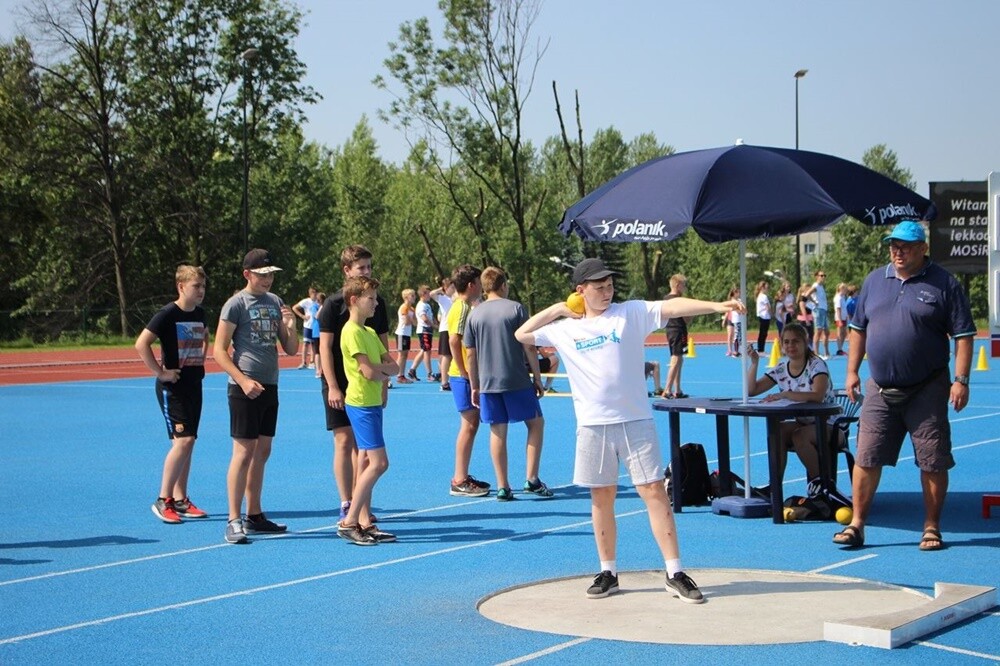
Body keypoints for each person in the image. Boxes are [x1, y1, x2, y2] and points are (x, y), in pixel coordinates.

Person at [515, 258, 745, 603]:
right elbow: (521, 334)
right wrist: (560, 308)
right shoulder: (564, 328)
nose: (607, 292)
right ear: (581, 291)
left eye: (609, 285)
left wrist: (716, 305)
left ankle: (675, 571)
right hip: (593, 424)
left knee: (653, 490)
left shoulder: (630, 313)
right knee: (601, 496)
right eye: (598, 287)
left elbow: (672, 306)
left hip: (635, 420)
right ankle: (608, 571)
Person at [833, 221, 974, 551]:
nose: (898, 251)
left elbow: (964, 337)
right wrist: (852, 371)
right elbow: (858, 329)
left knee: (932, 460)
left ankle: (931, 527)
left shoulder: (944, 284)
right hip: (880, 388)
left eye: (906, 245)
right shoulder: (874, 281)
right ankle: (857, 525)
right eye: (893, 245)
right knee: (866, 457)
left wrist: (961, 380)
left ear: (923, 248)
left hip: (926, 389)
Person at [214, 249, 298, 544]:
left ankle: (255, 514)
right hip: (243, 387)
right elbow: (218, 350)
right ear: (247, 274)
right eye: (262, 274)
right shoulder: (235, 305)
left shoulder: (275, 302)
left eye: (271, 274)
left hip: (269, 385)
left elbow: (290, 349)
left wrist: (291, 327)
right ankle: (233, 519)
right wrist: (243, 380)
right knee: (243, 452)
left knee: (262, 452)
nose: (268, 279)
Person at [318, 245, 392, 524]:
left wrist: (385, 384)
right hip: (339, 379)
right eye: (361, 268)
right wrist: (333, 385)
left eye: (370, 267)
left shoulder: (376, 303)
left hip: (367, 382)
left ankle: (361, 507)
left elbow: (383, 344)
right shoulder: (333, 305)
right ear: (347, 271)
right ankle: (346, 501)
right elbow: (325, 348)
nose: (367, 272)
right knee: (344, 440)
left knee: (365, 448)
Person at [464, 267, 552, 501]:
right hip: (516, 378)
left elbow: (470, 354)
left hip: (489, 383)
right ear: (503, 285)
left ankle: (503, 485)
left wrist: (475, 384)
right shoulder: (516, 309)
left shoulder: (474, 314)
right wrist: (538, 377)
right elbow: (529, 346)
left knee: (497, 429)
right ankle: (532, 478)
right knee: (536, 423)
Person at [136, 265, 210, 524]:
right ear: (181, 287)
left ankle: (180, 499)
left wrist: (201, 355)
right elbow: (141, 343)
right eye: (195, 286)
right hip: (173, 388)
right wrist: (160, 372)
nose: (201, 291)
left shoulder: (200, 313)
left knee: (188, 443)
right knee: (183, 441)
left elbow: (205, 336)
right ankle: (163, 499)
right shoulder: (167, 313)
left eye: (203, 286)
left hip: (194, 384)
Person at [337, 275, 398, 545]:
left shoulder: (370, 333)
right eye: (370, 299)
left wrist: (382, 372)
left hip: (372, 403)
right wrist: (384, 372)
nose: (375, 304)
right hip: (361, 404)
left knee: (365, 462)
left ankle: (363, 521)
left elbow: (392, 366)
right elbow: (368, 371)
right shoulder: (351, 331)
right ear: (354, 301)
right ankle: (350, 521)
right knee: (379, 463)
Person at [745, 322, 838, 483]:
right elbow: (751, 390)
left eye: (795, 341)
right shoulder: (782, 369)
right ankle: (774, 487)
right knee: (778, 432)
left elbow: (817, 395)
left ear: (805, 342)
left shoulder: (817, 365)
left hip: (829, 424)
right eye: (786, 342)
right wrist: (754, 363)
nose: (790, 346)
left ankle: (822, 484)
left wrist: (786, 395)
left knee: (799, 436)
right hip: (804, 422)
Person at [447, 264, 492, 497]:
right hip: (462, 375)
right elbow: (454, 340)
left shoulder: (463, 306)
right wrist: (464, 370)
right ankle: (459, 478)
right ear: (472, 285)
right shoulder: (462, 308)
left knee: (472, 425)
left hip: (465, 373)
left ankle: (462, 475)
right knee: (469, 425)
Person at [663, 274, 691, 399]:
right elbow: (686, 318)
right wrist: (693, 313)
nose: (684, 288)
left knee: (679, 359)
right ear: (678, 285)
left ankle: (677, 389)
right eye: (683, 285)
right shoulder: (679, 301)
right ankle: (667, 390)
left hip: (670, 330)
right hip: (678, 330)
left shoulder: (665, 299)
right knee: (676, 359)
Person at [431, 277, 456, 390]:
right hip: (446, 329)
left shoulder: (455, 298)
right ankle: (444, 382)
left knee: (453, 355)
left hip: (454, 329)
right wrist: (441, 289)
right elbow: (431, 294)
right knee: (447, 356)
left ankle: (451, 379)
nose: (454, 288)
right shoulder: (443, 298)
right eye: (451, 287)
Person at [411, 284, 437, 381]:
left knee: (424, 350)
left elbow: (431, 316)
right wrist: (434, 326)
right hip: (424, 330)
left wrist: (436, 322)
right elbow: (424, 318)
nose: (430, 295)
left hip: (428, 330)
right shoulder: (421, 305)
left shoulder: (427, 305)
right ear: (423, 294)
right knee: (427, 352)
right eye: (428, 294)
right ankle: (429, 373)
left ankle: (412, 370)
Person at [805, 270, 830, 358]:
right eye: (821, 275)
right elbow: (807, 294)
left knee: (826, 331)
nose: (823, 277)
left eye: (824, 275)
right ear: (817, 277)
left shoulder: (821, 286)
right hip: (818, 310)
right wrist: (814, 302)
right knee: (818, 331)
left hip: (824, 309)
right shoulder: (815, 286)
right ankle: (816, 353)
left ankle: (826, 352)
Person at [394, 288, 417, 383]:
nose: (414, 297)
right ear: (406, 297)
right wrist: (411, 320)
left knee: (405, 355)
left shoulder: (412, 309)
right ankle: (396, 375)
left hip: (407, 334)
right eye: (412, 295)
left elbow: (415, 323)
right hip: (401, 333)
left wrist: (411, 320)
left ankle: (401, 375)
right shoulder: (404, 308)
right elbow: (407, 322)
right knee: (401, 355)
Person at [292, 286, 318, 369]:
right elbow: (294, 307)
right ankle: (303, 362)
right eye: (312, 293)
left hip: (315, 326)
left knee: (314, 344)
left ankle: (312, 362)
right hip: (307, 325)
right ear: (310, 294)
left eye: (315, 293)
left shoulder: (318, 302)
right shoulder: (306, 301)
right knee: (306, 343)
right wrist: (302, 316)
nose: (314, 295)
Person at [723, 286, 742, 357]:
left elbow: (740, 310)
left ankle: (736, 350)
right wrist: (724, 320)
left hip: (736, 320)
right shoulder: (730, 301)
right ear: (734, 293)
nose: (739, 293)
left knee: (736, 335)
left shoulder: (739, 301)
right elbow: (727, 310)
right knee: (730, 335)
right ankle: (729, 350)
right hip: (730, 319)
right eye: (738, 292)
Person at [754, 280, 772, 353]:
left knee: (763, 333)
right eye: (766, 288)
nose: (767, 289)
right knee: (763, 333)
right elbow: (768, 307)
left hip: (763, 316)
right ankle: (761, 350)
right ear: (762, 288)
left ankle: (761, 349)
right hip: (764, 316)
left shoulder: (760, 296)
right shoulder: (763, 296)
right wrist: (771, 314)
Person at [832, 282, 848, 356]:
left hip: (844, 317)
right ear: (841, 289)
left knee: (844, 333)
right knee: (840, 333)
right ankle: (839, 349)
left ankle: (840, 348)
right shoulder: (838, 297)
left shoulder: (843, 297)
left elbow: (844, 308)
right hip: (839, 318)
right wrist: (840, 320)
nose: (846, 290)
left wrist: (846, 317)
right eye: (845, 289)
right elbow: (838, 309)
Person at [312, 292, 325, 377]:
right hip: (317, 331)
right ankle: (317, 370)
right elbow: (316, 316)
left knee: (323, 351)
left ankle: (322, 369)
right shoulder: (315, 306)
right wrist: (321, 307)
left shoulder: (325, 307)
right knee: (317, 352)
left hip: (323, 332)